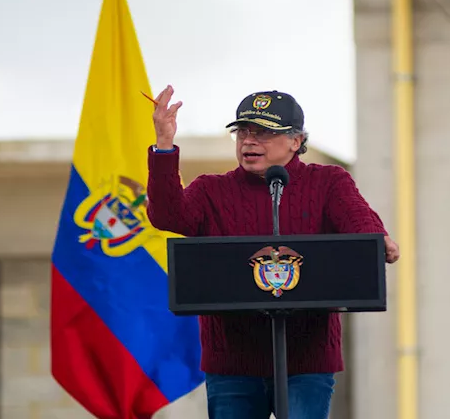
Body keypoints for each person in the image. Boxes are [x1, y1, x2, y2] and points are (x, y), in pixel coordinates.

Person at [146, 85, 400, 419]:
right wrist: (164, 144)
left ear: (296, 141)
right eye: (243, 132)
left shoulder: (329, 182)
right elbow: (167, 216)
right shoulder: (210, 189)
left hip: (306, 361)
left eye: (263, 133)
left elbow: (358, 220)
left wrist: (377, 239)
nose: (249, 141)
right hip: (232, 363)